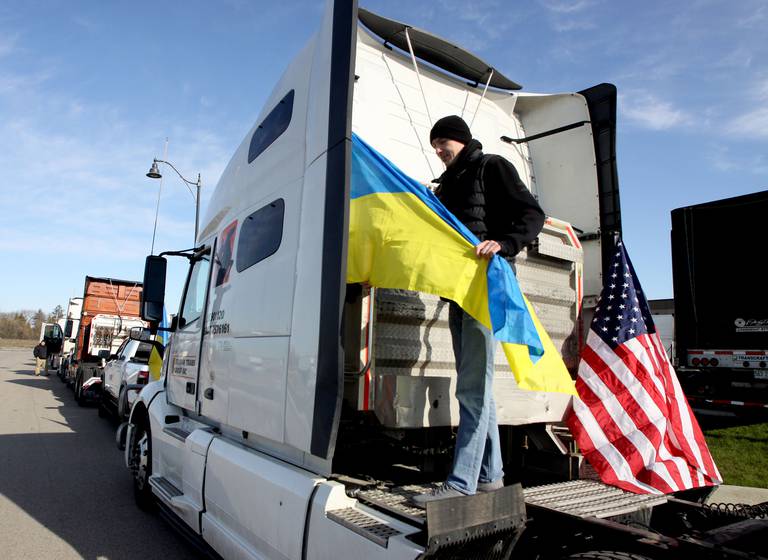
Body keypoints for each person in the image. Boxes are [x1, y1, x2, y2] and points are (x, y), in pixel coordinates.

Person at [412, 115, 545, 508]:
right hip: (459, 293)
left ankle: (461, 483)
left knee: (471, 389)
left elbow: (532, 215)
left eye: (442, 143)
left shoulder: (492, 166)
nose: (437, 151)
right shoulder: (448, 183)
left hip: (485, 289)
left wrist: (503, 243)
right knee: (477, 389)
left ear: (459, 139)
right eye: (434, 144)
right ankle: (490, 476)